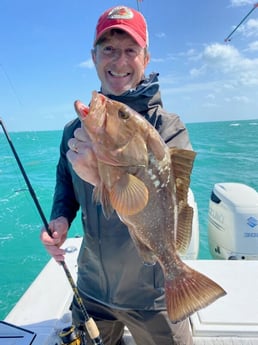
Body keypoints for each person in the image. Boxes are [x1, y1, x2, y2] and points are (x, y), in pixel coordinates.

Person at [40, 5, 193, 345]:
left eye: (130, 50)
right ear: (93, 57)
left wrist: (105, 178)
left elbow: (174, 201)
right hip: (93, 288)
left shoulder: (168, 129)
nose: (119, 61)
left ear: (146, 58)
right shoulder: (74, 130)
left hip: (152, 294)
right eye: (108, 49)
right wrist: (60, 220)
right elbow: (65, 186)